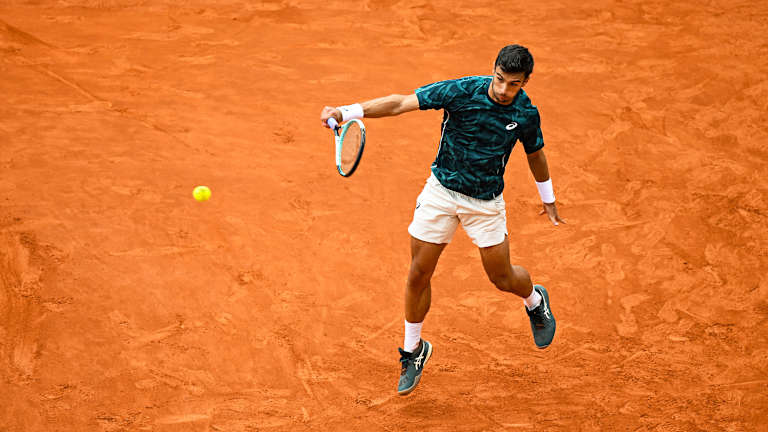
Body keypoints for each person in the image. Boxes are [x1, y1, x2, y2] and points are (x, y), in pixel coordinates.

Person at [320, 44, 564, 396]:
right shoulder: (461, 91)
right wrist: (346, 111)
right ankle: (413, 350)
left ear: (525, 82)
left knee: (502, 277)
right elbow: (400, 103)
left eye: (513, 84)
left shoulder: (525, 113)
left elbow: (535, 153)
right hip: (441, 193)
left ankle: (535, 301)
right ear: (493, 69)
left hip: (485, 204)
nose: (503, 89)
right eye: (499, 79)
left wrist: (548, 198)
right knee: (418, 273)